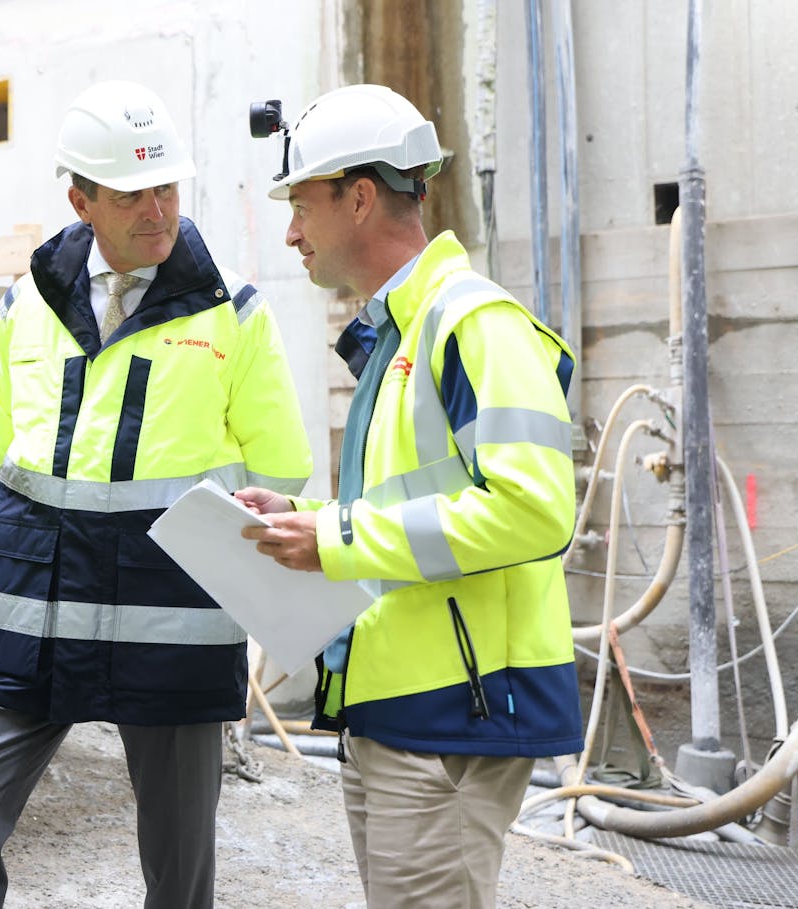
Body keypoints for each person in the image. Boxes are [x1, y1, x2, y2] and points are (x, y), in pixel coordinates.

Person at [0, 80, 313, 909]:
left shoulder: (233, 311)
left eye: (169, 187)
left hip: (172, 623)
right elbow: (9, 456)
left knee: (178, 867)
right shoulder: (22, 305)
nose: (158, 210)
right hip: (41, 619)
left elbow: (280, 469)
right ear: (81, 199)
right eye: (134, 194)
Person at [236, 84, 585, 909]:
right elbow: (418, 504)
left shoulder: (473, 323)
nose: (290, 231)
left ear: (359, 198)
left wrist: (337, 538)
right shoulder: (404, 334)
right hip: (401, 706)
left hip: (454, 716)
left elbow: (534, 509)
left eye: (301, 205)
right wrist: (311, 524)